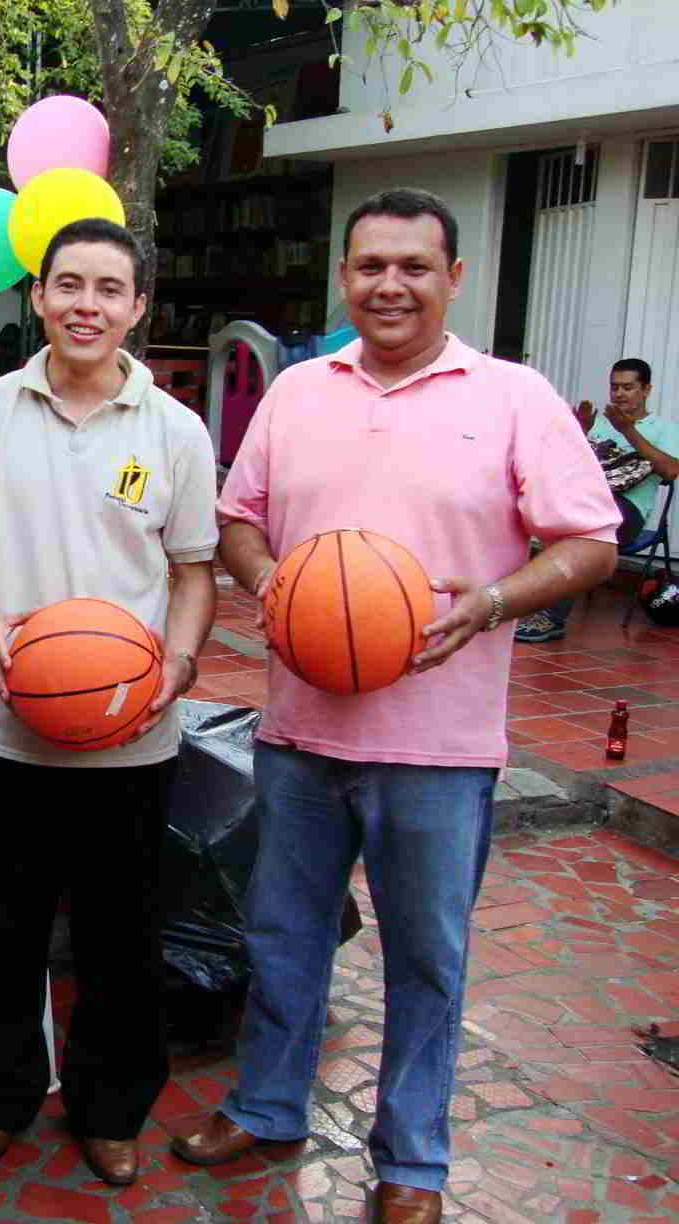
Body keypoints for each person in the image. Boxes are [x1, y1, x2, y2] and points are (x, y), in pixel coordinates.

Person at [176, 188, 618, 1224]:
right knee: (282, 938)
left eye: (414, 266)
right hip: (298, 731)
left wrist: (497, 599)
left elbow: (590, 539)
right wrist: (270, 580)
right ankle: (267, 1104)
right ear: (345, 276)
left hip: (442, 742)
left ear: (453, 278)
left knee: (428, 958)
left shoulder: (515, 396)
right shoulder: (296, 394)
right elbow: (237, 519)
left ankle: (412, 1162)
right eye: (371, 265)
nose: (390, 285)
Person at [0, 217, 219, 1186]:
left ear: (137, 308)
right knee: (6, 925)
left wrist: (176, 661)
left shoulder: (175, 430)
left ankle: (111, 1108)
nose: (87, 304)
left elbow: (196, 570)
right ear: (39, 297)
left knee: (122, 936)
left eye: (108, 289)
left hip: (133, 732)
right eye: (69, 285)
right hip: (7, 725)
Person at [515, 357, 676, 642]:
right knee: (518, 505)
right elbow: (569, 463)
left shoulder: (663, 429)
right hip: (584, 500)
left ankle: (550, 618)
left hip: (627, 512)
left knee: (579, 533)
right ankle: (512, 601)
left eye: (628, 387)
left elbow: (671, 470)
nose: (619, 394)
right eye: (615, 388)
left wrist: (628, 430)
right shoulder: (602, 423)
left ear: (646, 390)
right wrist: (580, 430)